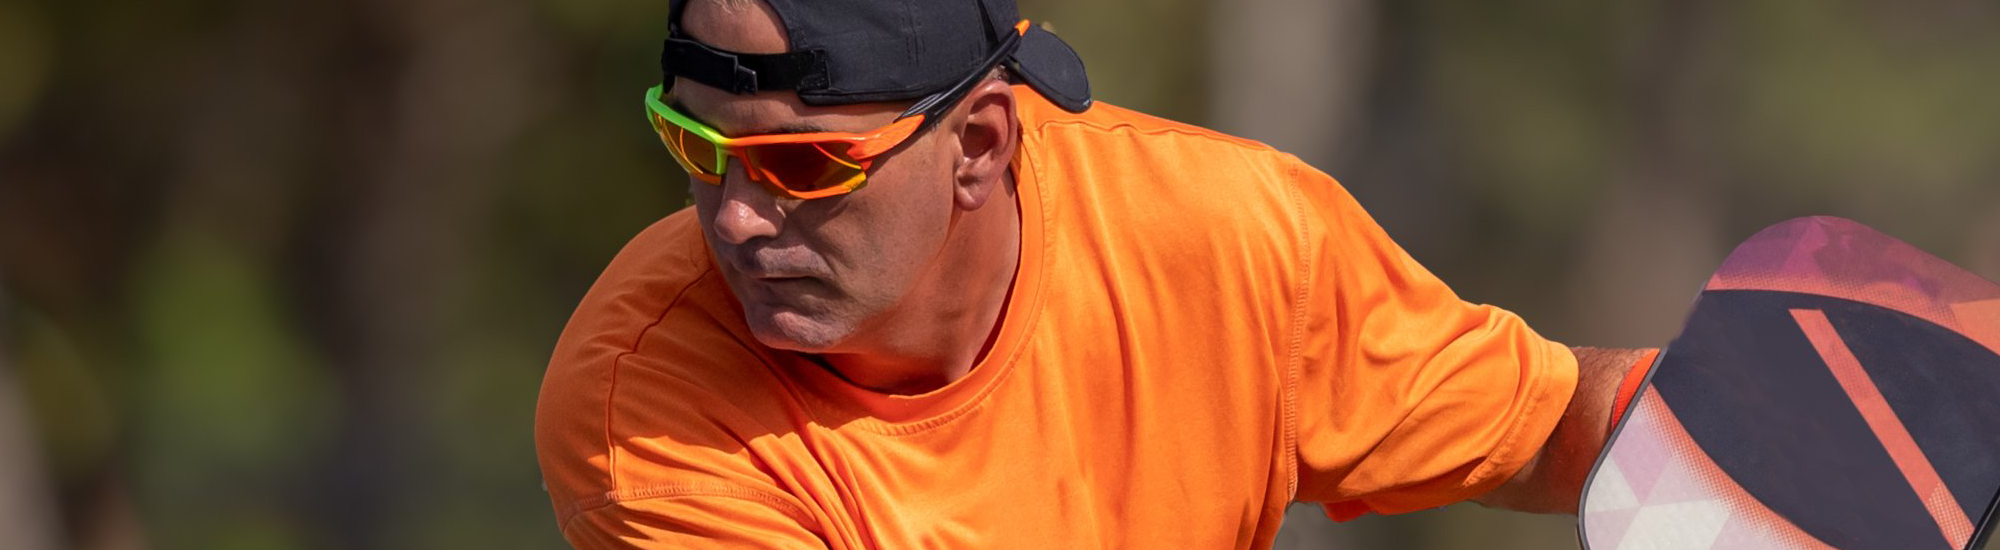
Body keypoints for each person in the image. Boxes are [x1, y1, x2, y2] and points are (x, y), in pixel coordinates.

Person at [534, 0, 1659, 547]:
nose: (732, 213)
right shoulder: (646, 410)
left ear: (978, 144)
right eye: (694, 146)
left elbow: (1554, 424)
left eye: (806, 165)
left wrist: (1778, 434)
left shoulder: (1224, 238)